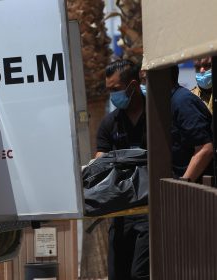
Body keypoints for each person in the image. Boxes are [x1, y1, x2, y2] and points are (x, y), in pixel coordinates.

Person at [96, 59, 149, 280]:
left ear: (133, 85)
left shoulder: (156, 115)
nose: (112, 96)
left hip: (149, 210)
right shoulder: (110, 124)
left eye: (116, 90)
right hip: (121, 212)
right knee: (118, 273)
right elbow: (100, 160)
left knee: (140, 274)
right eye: (109, 91)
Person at [171, 65, 213, 181]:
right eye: (198, 67)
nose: (202, 70)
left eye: (208, 66)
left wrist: (182, 185)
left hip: (194, 189)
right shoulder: (169, 101)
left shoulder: (183, 101)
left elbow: (205, 149)